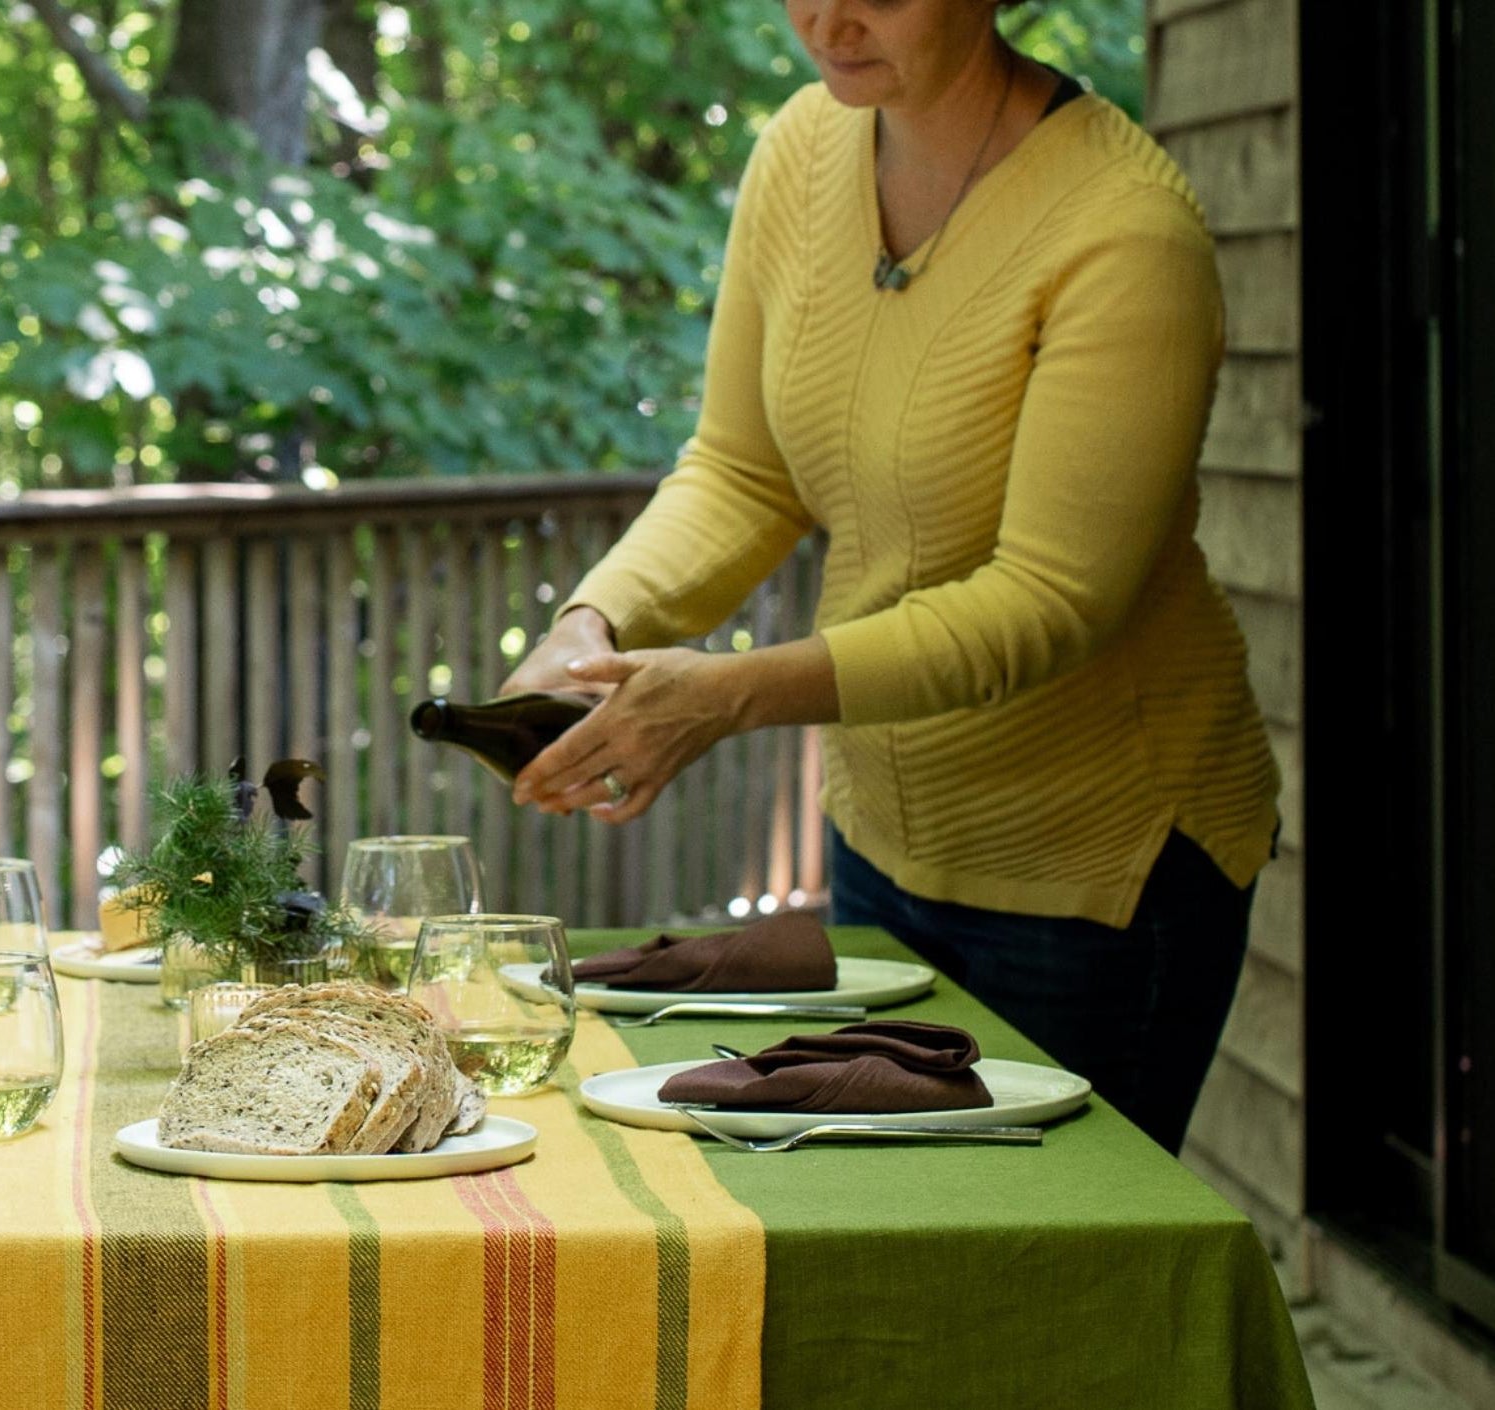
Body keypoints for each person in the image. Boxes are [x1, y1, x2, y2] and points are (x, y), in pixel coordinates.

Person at [501, 0, 1277, 1154]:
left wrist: (727, 693)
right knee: (888, 1241)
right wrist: (594, 617)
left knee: (1047, 1285)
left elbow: (1053, 599)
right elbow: (740, 469)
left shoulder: (1124, 230)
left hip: (1099, 869)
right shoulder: (801, 149)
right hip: (881, 842)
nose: (827, 14)